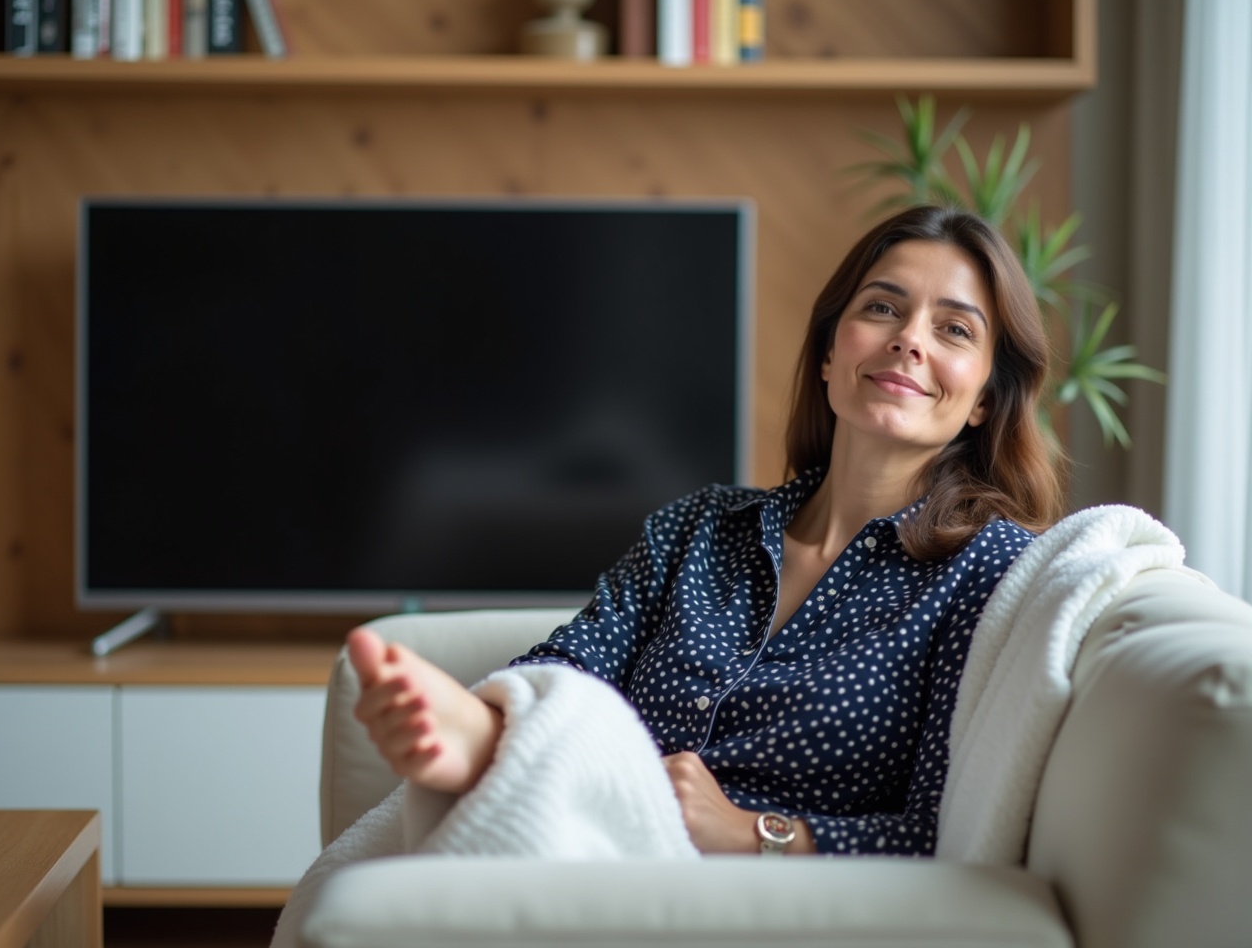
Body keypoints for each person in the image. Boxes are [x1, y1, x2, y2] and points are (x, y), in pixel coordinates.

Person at [347, 204, 1066, 858]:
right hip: (599, 853)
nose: (909, 340)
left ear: (983, 399)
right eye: (883, 307)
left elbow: (956, 828)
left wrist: (757, 834)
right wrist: (493, 718)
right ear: (827, 354)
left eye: (954, 329)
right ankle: (478, 742)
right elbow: (571, 670)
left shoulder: (990, 572)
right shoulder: (699, 527)